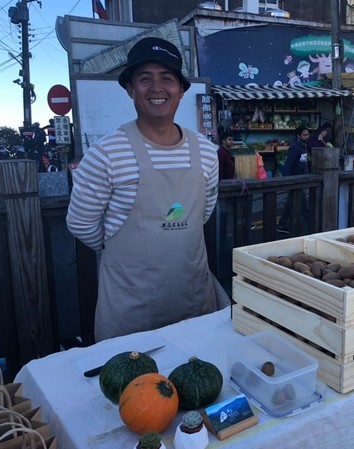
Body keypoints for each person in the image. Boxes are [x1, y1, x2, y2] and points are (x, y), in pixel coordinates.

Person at [66, 37, 227, 342]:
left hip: (192, 296)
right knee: (134, 387)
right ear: (130, 89)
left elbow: (202, 214)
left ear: (181, 90)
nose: (156, 88)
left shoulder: (206, 152)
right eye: (144, 79)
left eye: (167, 78)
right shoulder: (105, 153)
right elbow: (81, 223)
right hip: (130, 306)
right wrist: (128, 256)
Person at [277, 126, 310, 233]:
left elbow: (303, 162)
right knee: (302, 202)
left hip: (302, 177)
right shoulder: (295, 147)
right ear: (298, 136)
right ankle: (308, 224)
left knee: (292, 202)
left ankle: (282, 224)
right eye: (304, 135)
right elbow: (289, 163)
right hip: (296, 178)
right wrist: (288, 179)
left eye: (307, 134)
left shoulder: (303, 146)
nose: (307, 136)